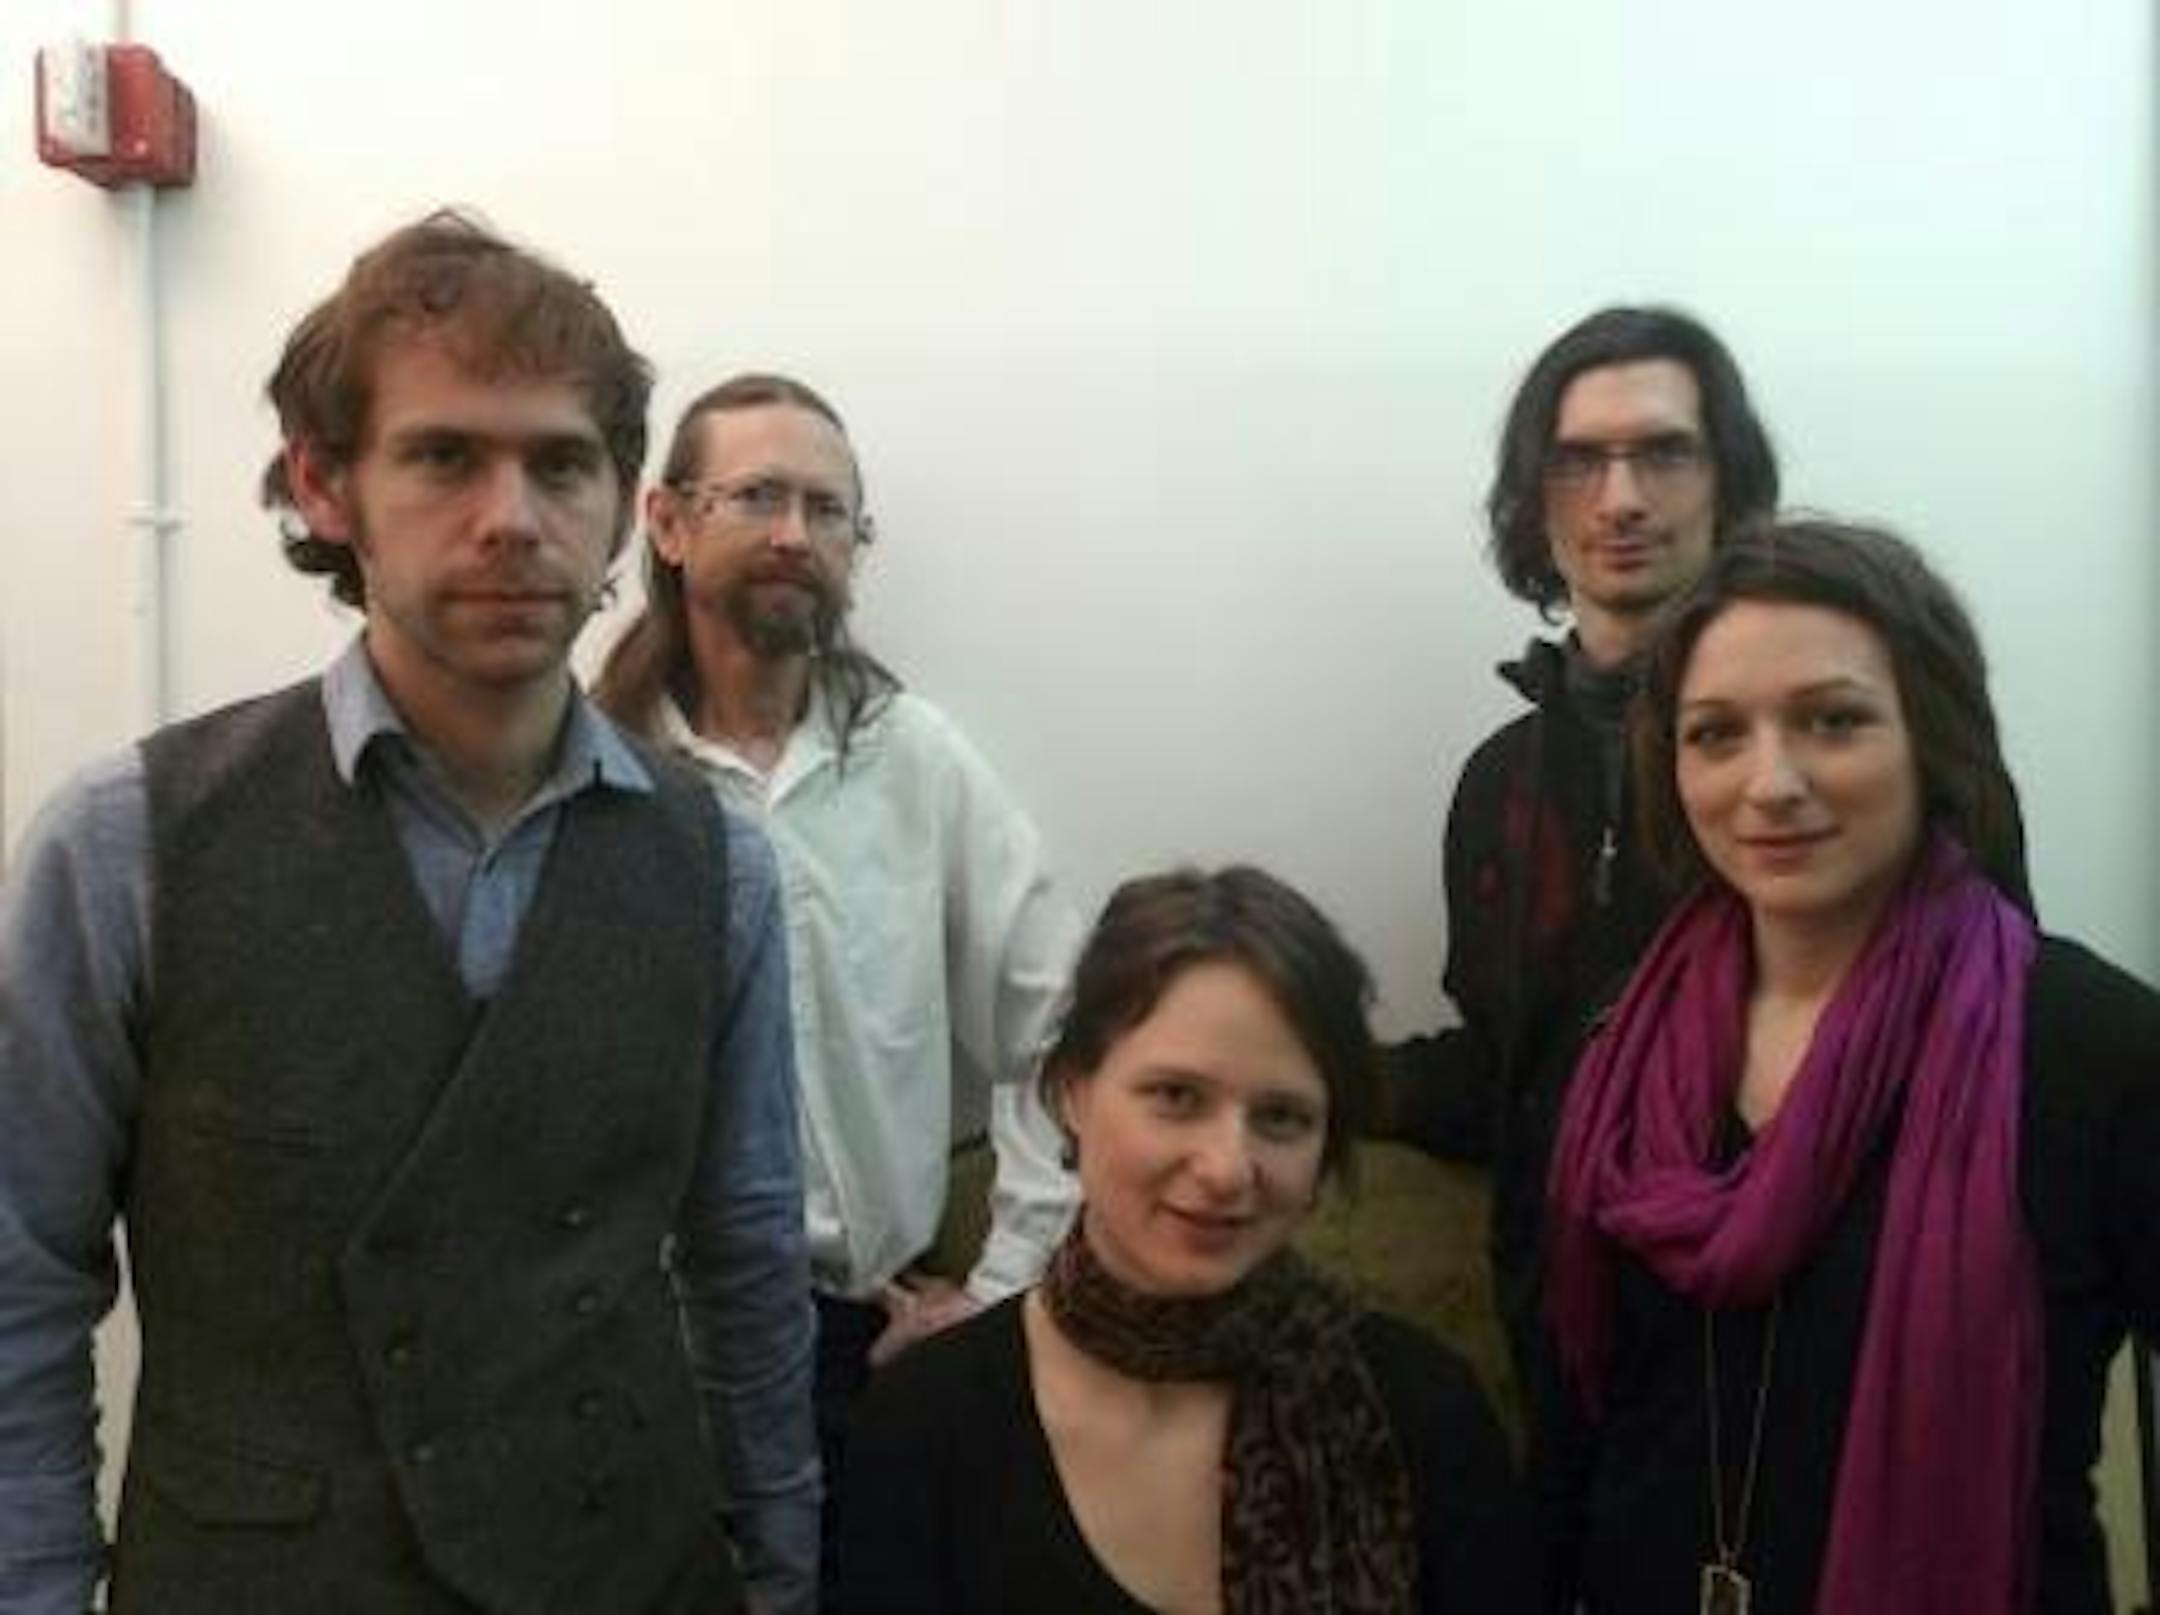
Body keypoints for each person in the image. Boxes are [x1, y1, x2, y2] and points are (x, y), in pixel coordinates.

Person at [0, 212, 818, 1613]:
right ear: (327, 486)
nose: (512, 517)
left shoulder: (717, 859)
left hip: (627, 1571)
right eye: (444, 456)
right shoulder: (127, 841)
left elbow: (747, 1266)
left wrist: (783, 1575)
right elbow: (22, 1286)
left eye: (561, 462)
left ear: (623, 503)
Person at [1539, 519, 2160, 1613]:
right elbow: (1588, 1417)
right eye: (1716, 734)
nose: (1770, 782)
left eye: (1833, 720)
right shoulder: (1616, 1045)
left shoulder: (2091, 1045)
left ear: (1933, 736)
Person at [592, 374, 1080, 1569]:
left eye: (828, 510)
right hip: (642, 1361)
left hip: (868, 1348)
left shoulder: (914, 760)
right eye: (759, 496)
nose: (794, 535)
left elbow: (1062, 1030)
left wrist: (1003, 1291)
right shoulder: (592, 776)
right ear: (667, 521)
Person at [839, 866, 1533, 1612]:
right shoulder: (927, 1424)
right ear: (1072, 1091)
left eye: (1281, 1117)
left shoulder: (1424, 1410)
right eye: (1176, 1096)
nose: (1227, 1168)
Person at [1381, 306, 1780, 1384]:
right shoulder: (1500, 782)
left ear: (1729, 481)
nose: (1620, 498)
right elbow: (1512, 1072)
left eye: (1665, 453)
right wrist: (1312, 1067)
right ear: (1533, 498)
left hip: (1784, 1319)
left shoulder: (1834, 751)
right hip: (1567, 1333)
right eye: (1577, 461)